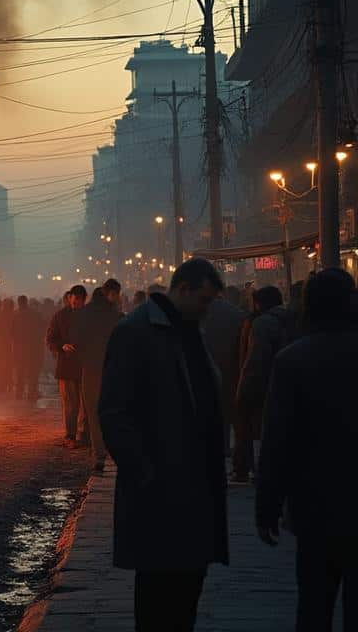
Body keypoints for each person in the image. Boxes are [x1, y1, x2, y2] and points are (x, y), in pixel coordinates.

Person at [99, 258, 228, 632]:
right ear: (183, 289)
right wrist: (144, 472)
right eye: (204, 300)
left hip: (195, 490)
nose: (207, 310)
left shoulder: (190, 330)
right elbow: (113, 412)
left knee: (187, 595)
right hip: (158, 491)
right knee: (158, 600)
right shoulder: (136, 331)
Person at [255, 268, 357, 631]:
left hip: (315, 505)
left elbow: (277, 440)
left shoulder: (292, 360)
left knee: (314, 604)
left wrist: (267, 504)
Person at [233, 285, 290, 483]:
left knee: (257, 430)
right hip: (288, 386)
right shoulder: (294, 319)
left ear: (259, 304)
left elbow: (256, 361)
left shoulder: (261, 324)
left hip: (264, 386)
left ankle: (258, 470)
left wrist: (243, 391)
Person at [74, 278, 123, 473]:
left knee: (93, 412)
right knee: (112, 410)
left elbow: (77, 338)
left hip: (91, 368)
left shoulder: (86, 312)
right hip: (112, 368)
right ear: (111, 293)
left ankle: (99, 454)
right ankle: (113, 449)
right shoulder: (115, 315)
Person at [202, 286, 248, 457]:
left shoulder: (200, 313)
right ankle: (236, 448)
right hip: (232, 368)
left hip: (207, 368)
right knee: (232, 411)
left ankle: (219, 446)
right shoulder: (238, 315)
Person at [45, 286, 87, 447]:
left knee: (86, 405)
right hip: (67, 366)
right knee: (70, 404)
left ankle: (84, 434)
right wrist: (62, 346)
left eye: (79, 301)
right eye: (74, 300)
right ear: (69, 298)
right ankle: (70, 435)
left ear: (84, 299)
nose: (76, 303)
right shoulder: (60, 316)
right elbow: (50, 339)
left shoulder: (89, 316)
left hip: (85, 366)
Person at [12, 295, 45, 401]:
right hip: (33, 348)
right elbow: (42, 329)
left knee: (20, 371)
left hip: (20, 348)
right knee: (32, 372)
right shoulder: (35, 314)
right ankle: (31, 393)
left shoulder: (15, 315)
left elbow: (12, 333)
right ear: (26, 302)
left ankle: (19, 393)